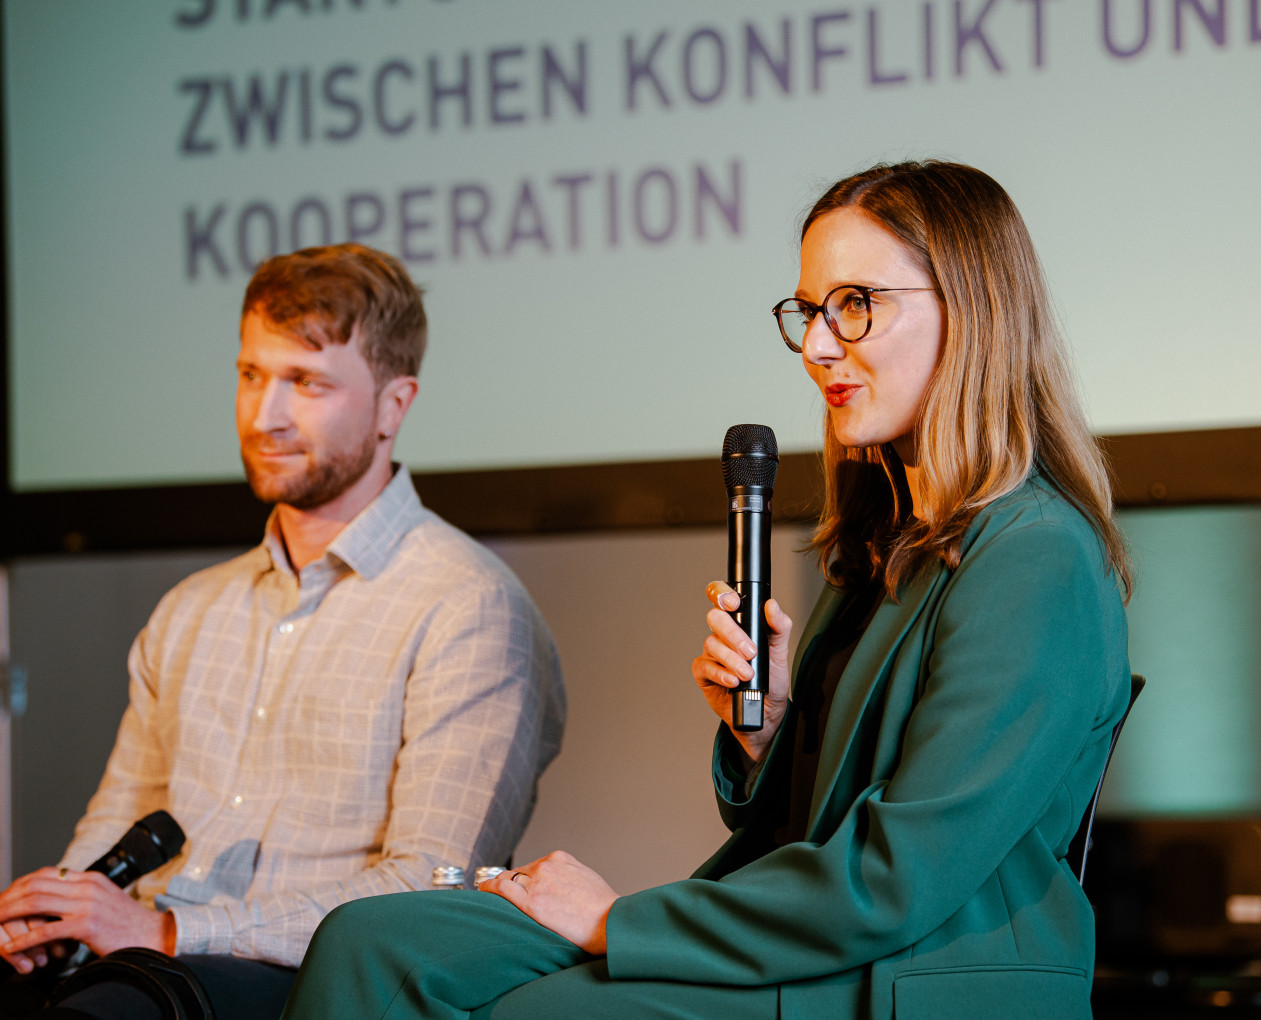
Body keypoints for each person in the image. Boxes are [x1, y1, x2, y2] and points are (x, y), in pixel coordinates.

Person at [278, 161, 1132, 1020]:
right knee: (370, 944)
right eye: (809, 312)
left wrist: (616, 920)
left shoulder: (1037, 557)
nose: (819, 346)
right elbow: (809, 819)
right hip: (821, 941)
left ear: (973, 310)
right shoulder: (882, 542)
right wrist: (768, 735)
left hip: (906, 974)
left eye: (857, 306)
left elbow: (896, 875)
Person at [0, 244, 567, 1019]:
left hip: (314, 986)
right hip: (146, 966)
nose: (264, 416)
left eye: (305, 382)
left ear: (393, 407)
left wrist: (172, 930)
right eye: (251, 375)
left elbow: (426, 890)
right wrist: (53, 918)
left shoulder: (470, 606)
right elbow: (115, 826)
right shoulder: (193, 608)